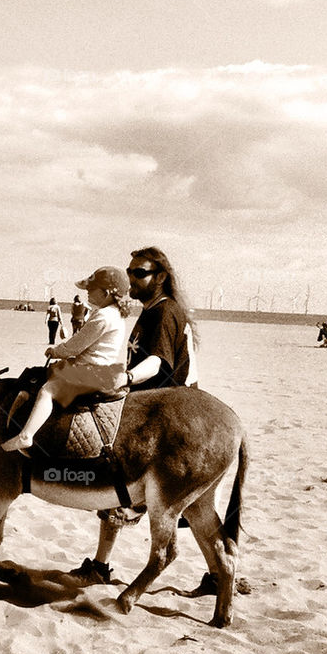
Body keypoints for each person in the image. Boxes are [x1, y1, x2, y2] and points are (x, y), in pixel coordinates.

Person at [71, 247, 204, 584]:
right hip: (169, 409)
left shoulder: (162, 313)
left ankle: (100, 566)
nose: (131, 278)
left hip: (162, 416)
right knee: (196, 506)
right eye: (129, 272)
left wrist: (126, 379)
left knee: (116, 484)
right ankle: (217, 573)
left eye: (140, 273)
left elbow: (158, 363)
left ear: (160, 277)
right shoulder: (159, 311)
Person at [2, 267, 132, 452]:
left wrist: (56, 351)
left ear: (107, 292)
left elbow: (75, 346)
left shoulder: (104, 316)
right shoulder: (113, 313)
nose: (87, 291)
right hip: (97, 367)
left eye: (91, 288)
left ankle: (26, 435)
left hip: (91, 370)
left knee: (47, 390)